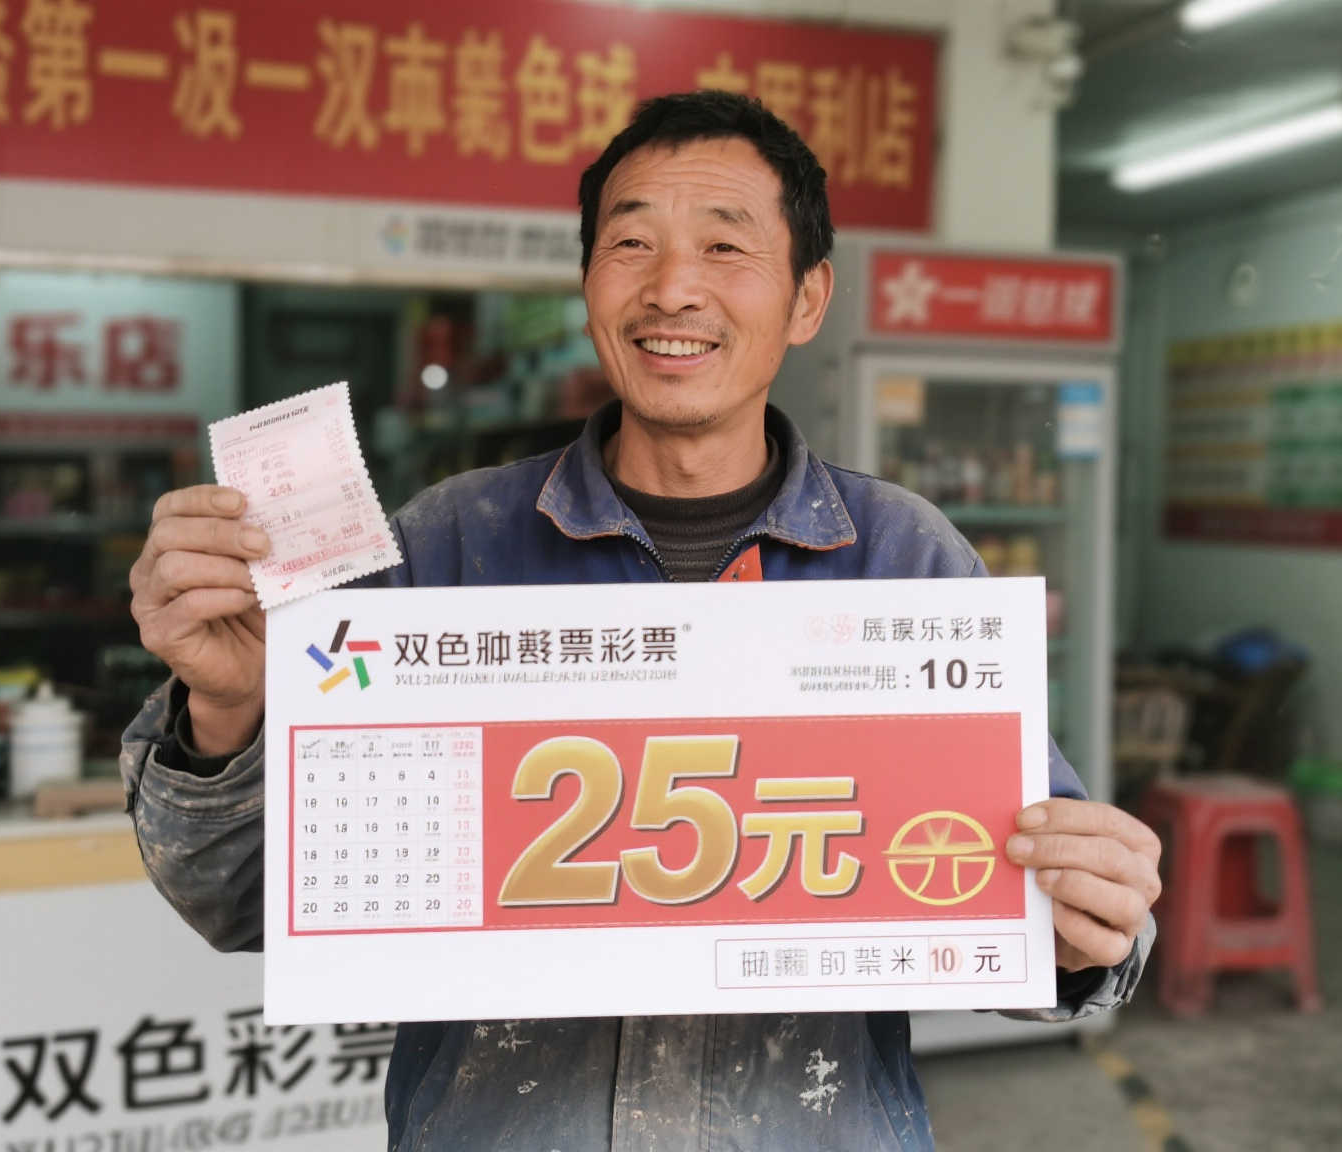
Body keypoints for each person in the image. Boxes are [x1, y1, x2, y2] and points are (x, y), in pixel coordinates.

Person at [122, 90, 1160, 1152]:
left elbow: (1025, 918)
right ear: (587, 285)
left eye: (724, 246)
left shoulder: (904, 558)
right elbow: (241, 903)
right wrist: (229, 707)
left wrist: (1083, 923)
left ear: (806, 298)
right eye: (630, 244)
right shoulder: (444, 547)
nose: (672, 288)